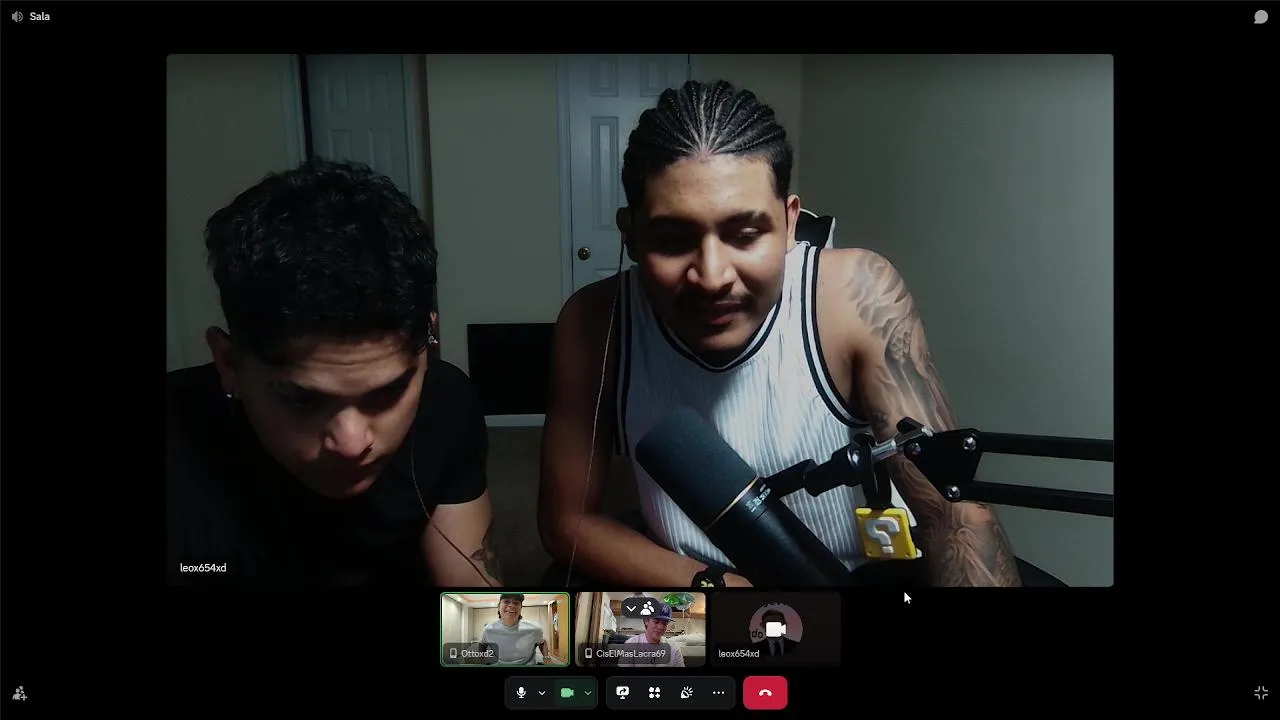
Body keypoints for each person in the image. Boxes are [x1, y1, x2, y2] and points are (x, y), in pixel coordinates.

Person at [538, 80, 1021, 588]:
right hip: (704, 586)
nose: (712, 276)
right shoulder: (595, 322)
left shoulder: (855, 295)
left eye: (745, 235)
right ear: (630, 234)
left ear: (789, 223)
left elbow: (953, 515)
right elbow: (565, 521)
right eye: (673, 240)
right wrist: (720, 588)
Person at [167, 159, 503, 588]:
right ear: (229, 364)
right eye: (303, 399)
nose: (352, 443)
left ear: (428, 342)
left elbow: (475, 601)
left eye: (388, 392)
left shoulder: (446, 400)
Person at [479, 594, 550, 665]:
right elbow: (482, 645)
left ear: (521, 608)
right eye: (506, 601)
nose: (511, 605)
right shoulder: (488, 629)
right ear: (498, 607)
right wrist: (480, 660)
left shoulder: (535, 629)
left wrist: (546, 658)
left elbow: (542, 642)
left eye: (516, 603)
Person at [617, 601, 684, 667]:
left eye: (664, 623)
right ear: (646, 621)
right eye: (656, 622)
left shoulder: (673, 648)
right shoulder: (631, 645)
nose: (660, 627)